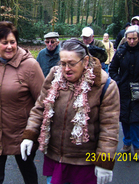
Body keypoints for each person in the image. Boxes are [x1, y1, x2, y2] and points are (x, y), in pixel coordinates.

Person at [21, 38, 120, 184]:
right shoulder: (54, 76)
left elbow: (109, 128)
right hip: (55, 158)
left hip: (85, 164)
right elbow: (39, 108)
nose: (66, 69)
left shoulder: (105, 86)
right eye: (63, 63)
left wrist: (104, 160)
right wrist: (29, 135)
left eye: (72, 64)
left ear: (85, 61)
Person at [0, 21, 45, 184]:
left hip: (21, 133)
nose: (9, 46)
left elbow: (43, 101)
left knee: (28, 172)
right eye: (4, 42)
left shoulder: (30, 66)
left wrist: (34, 132)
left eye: (12, 42)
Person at [109, 25, 139, 162]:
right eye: (129, 38)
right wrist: (118, 81)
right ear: (126, 38)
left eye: (134, 38)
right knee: (124, 118)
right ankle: (126, 144)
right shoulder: (121, 52)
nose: (132, 41)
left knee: (136, 119)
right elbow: (113, 69)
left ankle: (137, 147)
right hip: (124, 89)